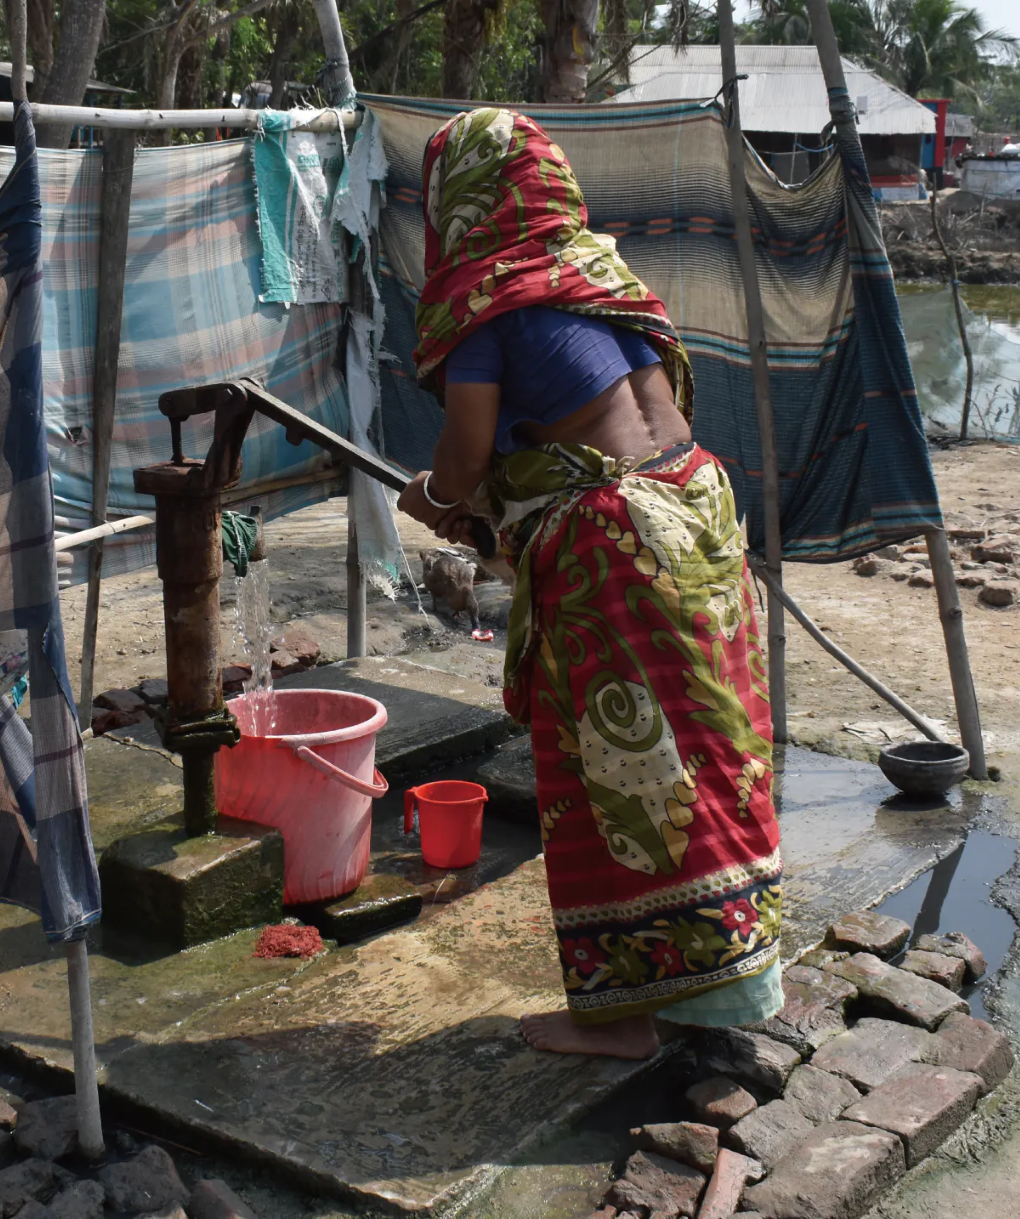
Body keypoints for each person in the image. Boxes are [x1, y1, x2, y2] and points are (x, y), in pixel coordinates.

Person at [397, 108, 785, 1059]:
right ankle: (735, 971)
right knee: (707, 755)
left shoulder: (487, 298)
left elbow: (469, 446)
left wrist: (436, 494)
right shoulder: (591, 271)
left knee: (615, 773)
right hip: (694, 512)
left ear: (464, 198)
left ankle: (619, 1018)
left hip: (615, 547)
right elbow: (622, 419)